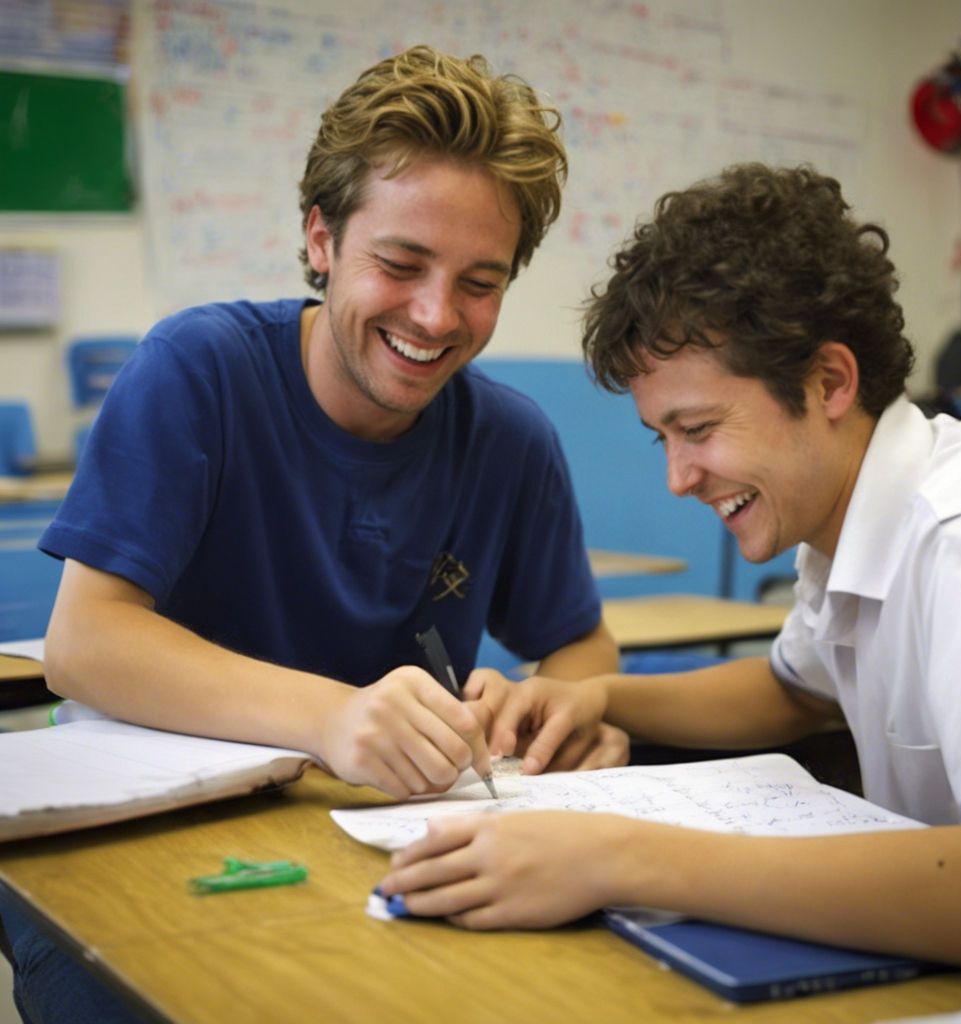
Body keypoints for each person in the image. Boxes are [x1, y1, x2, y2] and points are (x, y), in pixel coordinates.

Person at [1, 46, 623, 1022]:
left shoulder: (511, 441)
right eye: (401, 264)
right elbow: (86, 643)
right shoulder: (198, 369)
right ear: (321, 239)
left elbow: (580, 646)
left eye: (479, 282)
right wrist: (332, 717)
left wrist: (554, 704)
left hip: (386, 848)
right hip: (139, 848)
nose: (434, 316)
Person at [379, 163, 961, 976]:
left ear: (828, 381)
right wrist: (598, 695)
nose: (678, 478)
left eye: (699, 428)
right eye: (664, 437)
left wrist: (624, 858)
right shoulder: (853, 518)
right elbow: (794, 691)